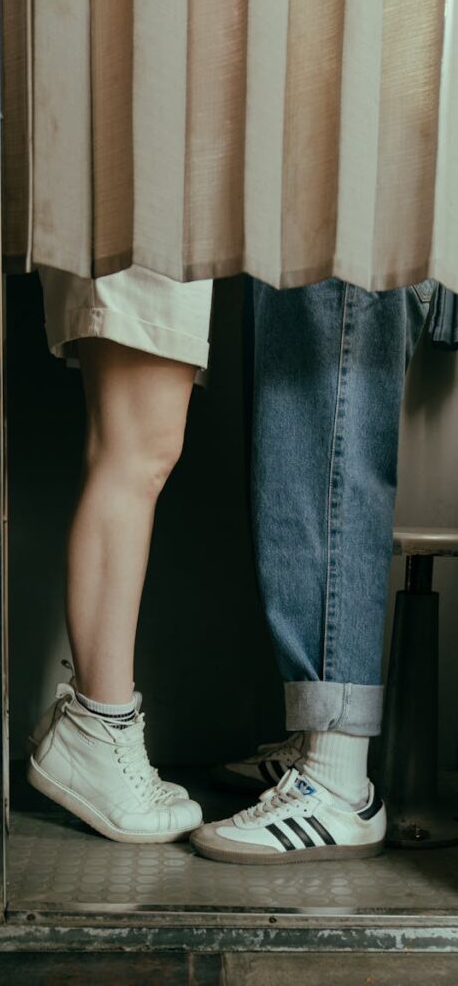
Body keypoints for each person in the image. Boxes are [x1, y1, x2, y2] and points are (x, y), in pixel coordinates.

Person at [26, 261, 435, 860]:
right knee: (138, 444)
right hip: (155, 206)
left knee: (141, 442)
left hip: (173, 207)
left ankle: (335, 777)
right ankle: (100, 723)